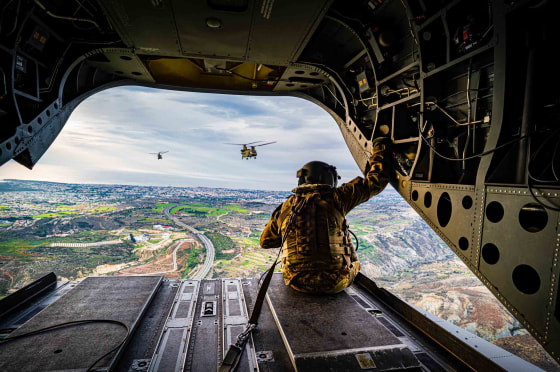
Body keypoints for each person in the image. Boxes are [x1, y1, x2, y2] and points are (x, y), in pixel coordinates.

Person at [259, 138, 391, 294]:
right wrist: (381, 148)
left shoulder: (285, 208)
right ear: (329, 178)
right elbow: (375, 181)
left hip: (296, 281)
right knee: (349, 249)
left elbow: (265, 242)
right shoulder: (338, 197)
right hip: (335, 282)